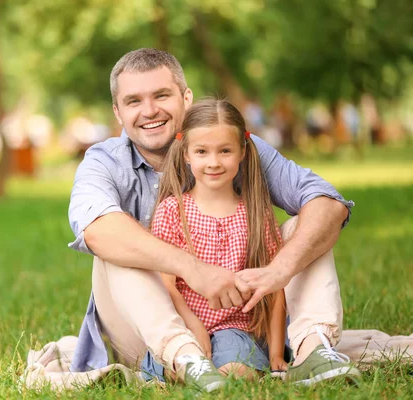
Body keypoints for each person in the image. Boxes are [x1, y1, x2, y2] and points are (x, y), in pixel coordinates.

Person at [68, 48, 359, 392]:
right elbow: (97, 231)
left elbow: (330, 204)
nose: (149, 111)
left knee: (304, 227)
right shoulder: (103, 162)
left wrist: (278, 271)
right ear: (118, 112)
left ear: (186, 98)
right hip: (143, 329)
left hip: (239, 322)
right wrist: (193, 268)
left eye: (161, 95)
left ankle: (313, 350)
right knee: (116, 246)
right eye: (133, 101)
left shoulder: (231, 147)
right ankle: (184, 356)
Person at [140, 98, 289, 384]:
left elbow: (274, 291)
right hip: (181, 326)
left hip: (235, 329)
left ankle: (210, 376)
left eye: (224, 151)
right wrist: (193, 325)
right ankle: (192, 371)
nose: (213, 162)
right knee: (177, 367)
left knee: (238, 373)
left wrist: (276, 355)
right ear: (186, 154)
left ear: (242, 152)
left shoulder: (255, 214)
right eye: (202, 151)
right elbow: (166, 285)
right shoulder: (173, 211)